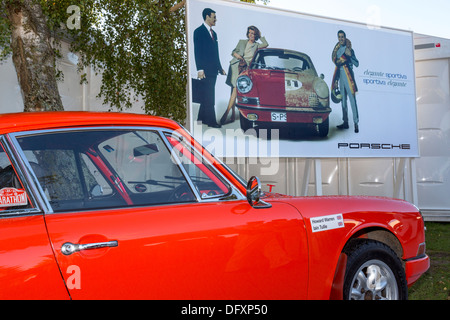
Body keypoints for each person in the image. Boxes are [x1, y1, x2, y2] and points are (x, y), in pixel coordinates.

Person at [220, 26, 268, 125]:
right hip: (236, 66)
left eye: (253, 34)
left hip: (245, 69)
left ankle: (227, 112)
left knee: (235, 90)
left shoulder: (257, 45)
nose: (251, 35)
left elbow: (266, 44)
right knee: (233, 89)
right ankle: (231, 114)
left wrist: (261, 36)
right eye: (250, 33)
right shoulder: (242, 42)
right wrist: (237, 55)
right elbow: (233, 52)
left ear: (256, 35)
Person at [193, 8, 226, 128]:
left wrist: (220, 68)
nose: (215, 19)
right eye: (214, 17)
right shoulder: (198, 31)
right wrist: (200, 69)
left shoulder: (214, 33)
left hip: (213, 70)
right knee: (209, 95)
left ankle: (200, 120)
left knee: (206, 94)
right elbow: (197, 51)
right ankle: (211, 121)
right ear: (207, 17)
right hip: (205, 70)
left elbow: (215, 53)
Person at [331, 30, 360, 133]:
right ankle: (345, 123)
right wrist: (336, 80)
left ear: (345, 37)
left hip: (348, 75)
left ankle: (356, 123)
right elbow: (337, 65)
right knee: (343, 101)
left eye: (342, 37)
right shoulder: (337, 51)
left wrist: (350, 56)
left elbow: (357, 64)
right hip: (341, 76)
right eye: (339, 37)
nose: (341, 38)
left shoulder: (349, 49)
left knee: (352, 99)